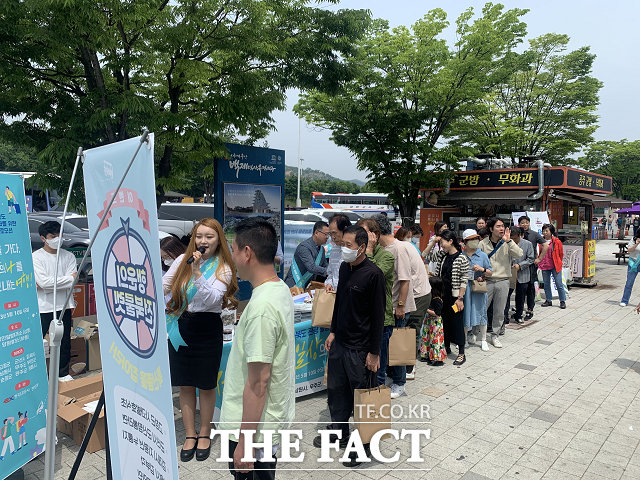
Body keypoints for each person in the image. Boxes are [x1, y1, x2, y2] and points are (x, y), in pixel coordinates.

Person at [220, 218, 294, 480]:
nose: (232, 256)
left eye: (233, 249)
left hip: (255, 428)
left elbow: (258, 383)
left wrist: (245, 443)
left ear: (247, 253)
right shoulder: (279, 288)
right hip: (265, 421)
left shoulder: (262, 308)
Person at [163, 218, 239, 462]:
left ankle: (205, 432)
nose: (203, 241)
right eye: (199, 236)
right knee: (185, 384)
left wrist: (197, 272)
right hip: (181, 324)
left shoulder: (224, 267)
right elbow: (166, 285)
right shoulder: (181, 260)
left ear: (219, 240)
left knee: (206, 384)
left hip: (207, 328)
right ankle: (190, 434)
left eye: (209, 237)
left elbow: (212, 300)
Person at [313, 225, 386, 468]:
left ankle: (365, 446)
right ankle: (340, 433)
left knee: (364, 398)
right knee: (337, 392)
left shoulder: (374, 274)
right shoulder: (345, 268)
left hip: (361, 349)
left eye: (348, 245)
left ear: (362, 247)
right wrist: (333, 332)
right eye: (342, 243)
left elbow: (378, 317)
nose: (343, 248)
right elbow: (340, 303)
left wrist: (375, 353)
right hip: (341, 343)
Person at [372, 214, 416, 397]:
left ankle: (400, 382)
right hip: (388, 306)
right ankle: (393, 377)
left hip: (398, 306)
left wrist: (400, 305)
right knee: (388, 346)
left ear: (377, 231)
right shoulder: (384, 248)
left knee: (397, 344)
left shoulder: (398, 248)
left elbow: (405, 280)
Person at [33, 220, 78, 381]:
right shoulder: (36, 257)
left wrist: (47, 284)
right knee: (38, 340)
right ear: (44, 238)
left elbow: (73, 281)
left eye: (60, 235)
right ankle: (36, 373)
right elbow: (45, 283)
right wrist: (66, 280)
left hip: (64, 305)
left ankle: (62, 373)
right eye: (53, 236)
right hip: (44, 306)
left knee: (64, 340)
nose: (57, 239)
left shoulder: (69, 256)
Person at [423, 230, 470, 365]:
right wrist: (434, 242)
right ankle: (446, 346)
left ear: (450, 241)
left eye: (442, 242)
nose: (441, 245)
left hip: (455, 296)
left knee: (457, 321)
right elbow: (425, 254)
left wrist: (460, 298)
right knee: (443, 320)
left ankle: (461, 353)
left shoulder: (461, 258)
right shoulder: (442, 255)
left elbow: (464, 280)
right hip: (441, 294)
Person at [478, 218, 523, 348]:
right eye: (498, 226)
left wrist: (509, 241)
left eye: (502, 226)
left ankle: (495, 335)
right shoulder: (483, 244)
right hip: (487, 281)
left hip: (503, 280)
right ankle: (476, 332)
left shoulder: (507, 243)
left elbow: (519, 254)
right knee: (482, 308)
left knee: (499, 311)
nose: (501, 229)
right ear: (491, 229)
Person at [356, 218, 395, 364]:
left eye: (363, 233)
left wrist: (369, 251)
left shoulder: (387, 257)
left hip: (381, 321)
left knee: (377, 367)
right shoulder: (357, 256)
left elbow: (370, 279)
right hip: (361, 319)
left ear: (375, 236)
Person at [403, 231, 432, 380]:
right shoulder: (405, 246)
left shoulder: (401, 249)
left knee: (412, 331)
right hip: (414, 292)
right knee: (406, 331)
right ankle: (404, 364)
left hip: (418, 294)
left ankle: (409, 367)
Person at [461, 229, 492, 352]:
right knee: (465, 312)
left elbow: (490, 272)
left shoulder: (482, 255)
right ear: (465, 242)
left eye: (476, 239)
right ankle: (463, 340)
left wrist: (482, 270)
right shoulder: (461, 255)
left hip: (478, 287)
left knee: (481, 312)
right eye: (472, 239)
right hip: (464, 287)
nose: (475, 241)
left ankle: (483, 339)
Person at [518, 216, 549, 320]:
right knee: (520, 288)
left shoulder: (534, 234)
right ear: (519, 224)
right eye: (522, 223)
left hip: (531, 266)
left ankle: (530, 309)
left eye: (526, 222)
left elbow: (546, 245)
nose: (525, 225)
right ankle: (519, 310)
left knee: (530, 288)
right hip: (519, 266)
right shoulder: (516, 234)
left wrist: (539, 258)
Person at [283, 221, 329, 288]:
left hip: (307, 286)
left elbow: (325, 265)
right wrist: (329, 271)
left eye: (328, 235)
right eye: (326, 234)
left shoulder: (321, 249)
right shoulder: (304, 247)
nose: (327, 237)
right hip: (294, 284)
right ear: (316, 233)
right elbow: (311, 267)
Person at [507, 227, 534, 324]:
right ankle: (505, 316)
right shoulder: (506, 243)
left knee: (521, 296)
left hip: (522, 274)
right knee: (507, 295)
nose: (513, 240)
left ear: (519, 235)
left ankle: (518, 315)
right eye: (511, 238)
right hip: (509, 273)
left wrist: (520, 265)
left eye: (515, 238)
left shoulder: (527, 244)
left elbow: (531, 259)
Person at [538, 223, 566, 309]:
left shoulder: (557, 242)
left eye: (547, 231)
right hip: (544, 265)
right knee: (546, 284)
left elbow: (561, 254)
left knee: (559, 284)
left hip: (555, 265)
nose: (545, 232)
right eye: (543, 230)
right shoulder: (540, 241)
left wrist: (558, 262)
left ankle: (562, 301)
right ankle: (548, 300)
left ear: (551, 232)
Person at [419, 276, 446, 365]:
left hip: (435, 323)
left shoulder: (437, 300)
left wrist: (426, 309)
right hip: (429, 322)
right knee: (428, 338)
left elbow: (437, 313)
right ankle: (428, 355)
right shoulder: (432, 298)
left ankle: (438, 359)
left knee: (435, 340)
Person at [324, 213, 352, 292]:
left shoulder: (354, 250)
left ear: (345, 229)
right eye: (331, 234)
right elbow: (331, 273)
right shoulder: (334, 250)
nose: (333, 237)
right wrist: (329, 283)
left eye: (335, 233)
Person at [620, 233, 640, 307]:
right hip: (634, 263)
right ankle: (624, 300)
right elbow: (629, 250)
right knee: (629, 282)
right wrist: (636, 244)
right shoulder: (634, 239)